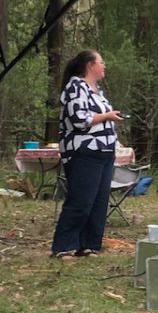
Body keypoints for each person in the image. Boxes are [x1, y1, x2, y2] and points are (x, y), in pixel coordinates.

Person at [50, 50, 123, 260]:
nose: (104, 65)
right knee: (81, 200)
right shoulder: (75, 86)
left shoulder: (97, 90)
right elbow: (79, 118)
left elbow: (100, 119)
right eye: (101, 61)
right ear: (90, 65)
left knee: (99, 202)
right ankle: (63, 247)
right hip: (84, 152)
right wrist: (108, 116)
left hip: (105, 152)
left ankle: (88, 245)